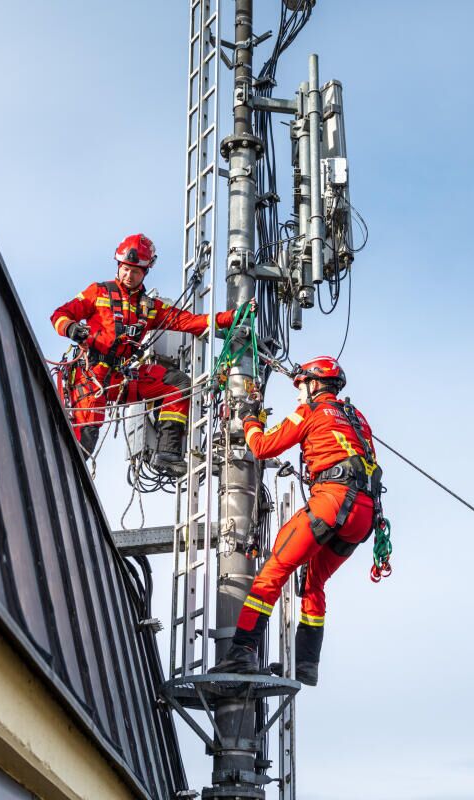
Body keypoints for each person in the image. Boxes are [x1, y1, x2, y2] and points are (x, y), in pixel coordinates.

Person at [209, 356, 383, 685]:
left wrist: (250, 419)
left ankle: (242, 652)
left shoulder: (310, 411)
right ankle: (306, 665)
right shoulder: (357, 418)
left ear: (314, 384)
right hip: (364, 514)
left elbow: (262, 446)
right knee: (314, 584)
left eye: (301, 386)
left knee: (273, 571)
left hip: (332, 501)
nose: (299, 393)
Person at [51, 233, 244, 475]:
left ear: (145, 272)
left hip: (119, 378)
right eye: (125, 269)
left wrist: (232, 317)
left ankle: (167, 454)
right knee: (86, 436)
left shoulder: (149, 308)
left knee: (177, 384)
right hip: (90, 377)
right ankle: (62, 476)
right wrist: (71, 328)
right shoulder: (98, 292)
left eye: (135, 271)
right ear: (118, 265)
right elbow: (60, 314)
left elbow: (188, 321)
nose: (128, 275)